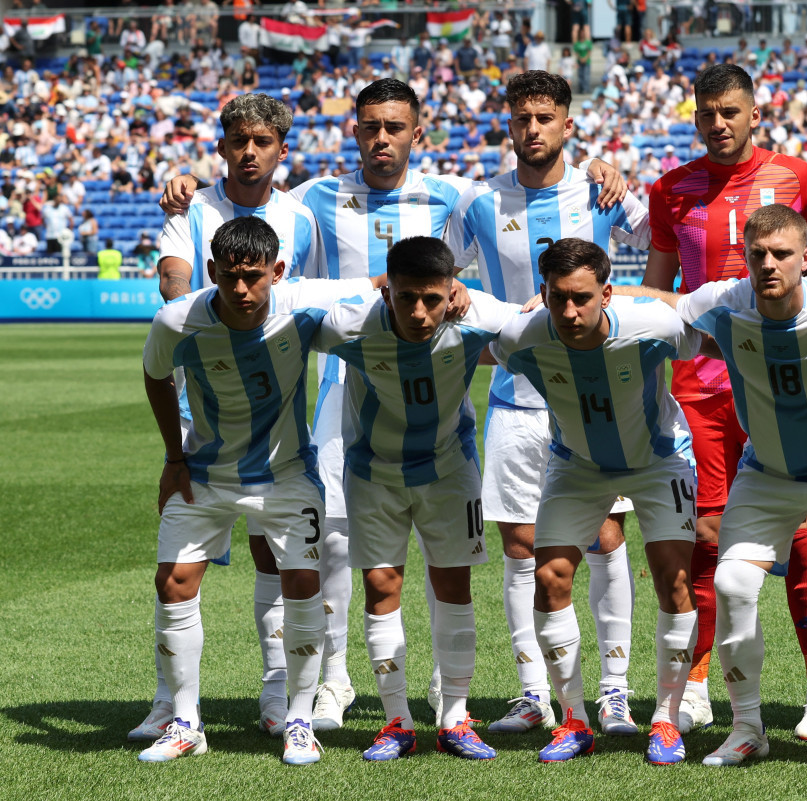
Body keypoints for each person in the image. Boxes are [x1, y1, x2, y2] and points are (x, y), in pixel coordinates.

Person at [161, 79, 627, 734]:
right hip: (340, 390)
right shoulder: (317, 200)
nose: (382, 139)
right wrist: (190, 184)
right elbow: (257, 226)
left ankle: (448, 688)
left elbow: (505, 226)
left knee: (452, 555)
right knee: (337, 541)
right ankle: (331, 681)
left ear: (418, 131)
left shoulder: (456, 198)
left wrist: (599, 169)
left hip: (433, 391)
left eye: (395, 127)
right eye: (370, 127)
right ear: (354, 131)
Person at [643, 205, 807, 769]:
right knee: (735, 584)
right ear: (745, 257)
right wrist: (592, 292)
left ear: (806, 257)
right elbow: (665, 305)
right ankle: (746, 729)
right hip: (768, 474)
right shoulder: (724, 301)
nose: (769, 264)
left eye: (782, 253)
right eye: (757, 254)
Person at [447, 71, 650, 737]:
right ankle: (534, 692)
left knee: (606, 537)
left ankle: (615, 691)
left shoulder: (599, 191)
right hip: (513, 400)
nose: (532, 128)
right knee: (521, 547)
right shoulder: (481, 205)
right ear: (508, 123)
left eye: (544, 116)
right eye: (522, 117)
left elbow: (662, 247)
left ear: (568, 123)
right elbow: (439, 283)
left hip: (591, 401)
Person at [643, 63, 807, 740]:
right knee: (706, 534)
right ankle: (697, 684)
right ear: (694, 116)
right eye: (706, 113)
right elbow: (659, 289)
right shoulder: (670, 189)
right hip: (699, 391)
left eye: (730, 111)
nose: (718, 124)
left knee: (801, 532)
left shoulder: (799, 179)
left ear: (755, 113)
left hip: (781, 384)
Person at [138, 216, 379, 765]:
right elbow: (154, 375)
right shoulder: (177, 321)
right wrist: (174, 458)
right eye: (229, 278)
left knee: (300, 582)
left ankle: (298, 720)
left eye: (253, 276)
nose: (241, 290)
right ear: (210, 272)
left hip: (287, 475)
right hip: (203, 472)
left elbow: (382, 283)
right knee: (173, 582)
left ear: (277, 270)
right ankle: (185, 722)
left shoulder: (304, 304)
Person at [130, 93, 322, 745]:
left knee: (277, 556)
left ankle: (279, 697)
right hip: (201, 413)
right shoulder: (192, 207)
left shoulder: (304, 216)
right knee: (181, 570)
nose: (249, 152)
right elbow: (173, 285)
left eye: (262, 141)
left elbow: (316, 303)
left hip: (280, 418)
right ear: (221, 147)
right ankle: (171, 705)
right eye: (237, 140)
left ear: (280, 149)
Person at [491, 238, 699, 765]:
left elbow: (701, 333)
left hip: (658, 462)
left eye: (581, 297)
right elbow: (480, 342)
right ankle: (574, 720)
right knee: (549, 577)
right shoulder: (522, 337)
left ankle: (666, 721)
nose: (568, 311)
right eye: (557, 297)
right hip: (576, 467)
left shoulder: (653, 326)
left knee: (674, 579)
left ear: (606, 293)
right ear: (543, 293)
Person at [314, 236, 516, 762]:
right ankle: (396, 720)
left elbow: (544, 314)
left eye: (432, 298)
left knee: (453, 587)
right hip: (372, 474)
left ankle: (455, 716)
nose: (420, 312)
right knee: (382, 587)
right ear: (388, 292)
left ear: (453, 291)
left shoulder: (478, 316)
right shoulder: (350, 324)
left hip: (450, 472)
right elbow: (283, 308)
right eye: (406, 298)